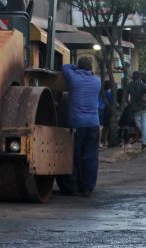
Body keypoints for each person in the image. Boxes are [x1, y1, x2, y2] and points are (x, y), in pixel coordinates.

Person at [56, 56, 101, 197]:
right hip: (93, 123)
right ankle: (87, 188)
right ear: (91, 68)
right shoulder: (97, 81)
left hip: (77, 124)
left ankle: (73, 187)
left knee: (74, 155)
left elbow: (65, 67)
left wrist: (76, 68)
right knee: (90, 156)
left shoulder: (74, 79)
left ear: (79, 67)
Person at [128, 71, 146, 150]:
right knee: (145, 124)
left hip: (135, 108)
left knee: (139, 125)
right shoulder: (142, 84)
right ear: (139, 77)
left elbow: (126, 97)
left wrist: (130, 103)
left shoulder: (129, 85)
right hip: (144, 107)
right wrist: (145, 96)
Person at [99, 80, 114, 148]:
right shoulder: (109, 94)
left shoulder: (101, 92)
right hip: (105, 111)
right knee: (105, 127)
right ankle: (104, 141)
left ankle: (101, 142)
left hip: (100, 109)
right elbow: (112, 103)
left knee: (101, 127)